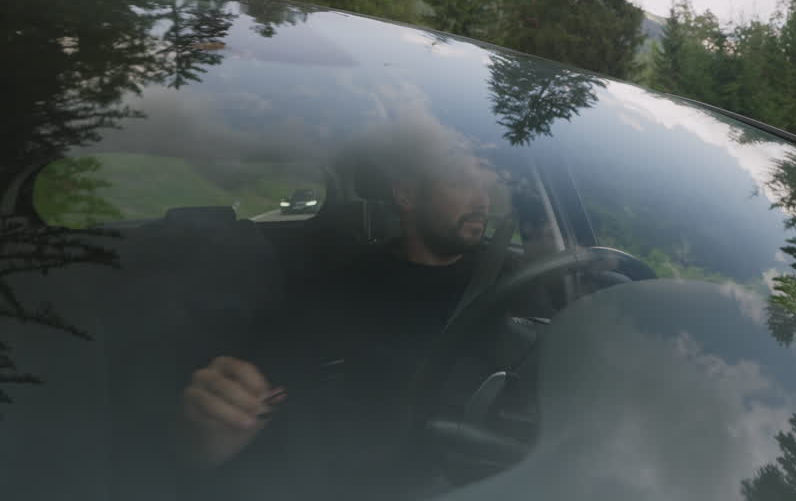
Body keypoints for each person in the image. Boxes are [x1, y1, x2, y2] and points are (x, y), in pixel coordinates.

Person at [177, 122, 541, 498]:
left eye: (485, 184)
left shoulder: (517, 279)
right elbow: (243, 411)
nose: (481, 200)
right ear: (406, 195)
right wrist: (215, 422)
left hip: (523, 472)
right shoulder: (341, 288)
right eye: (461, 182)